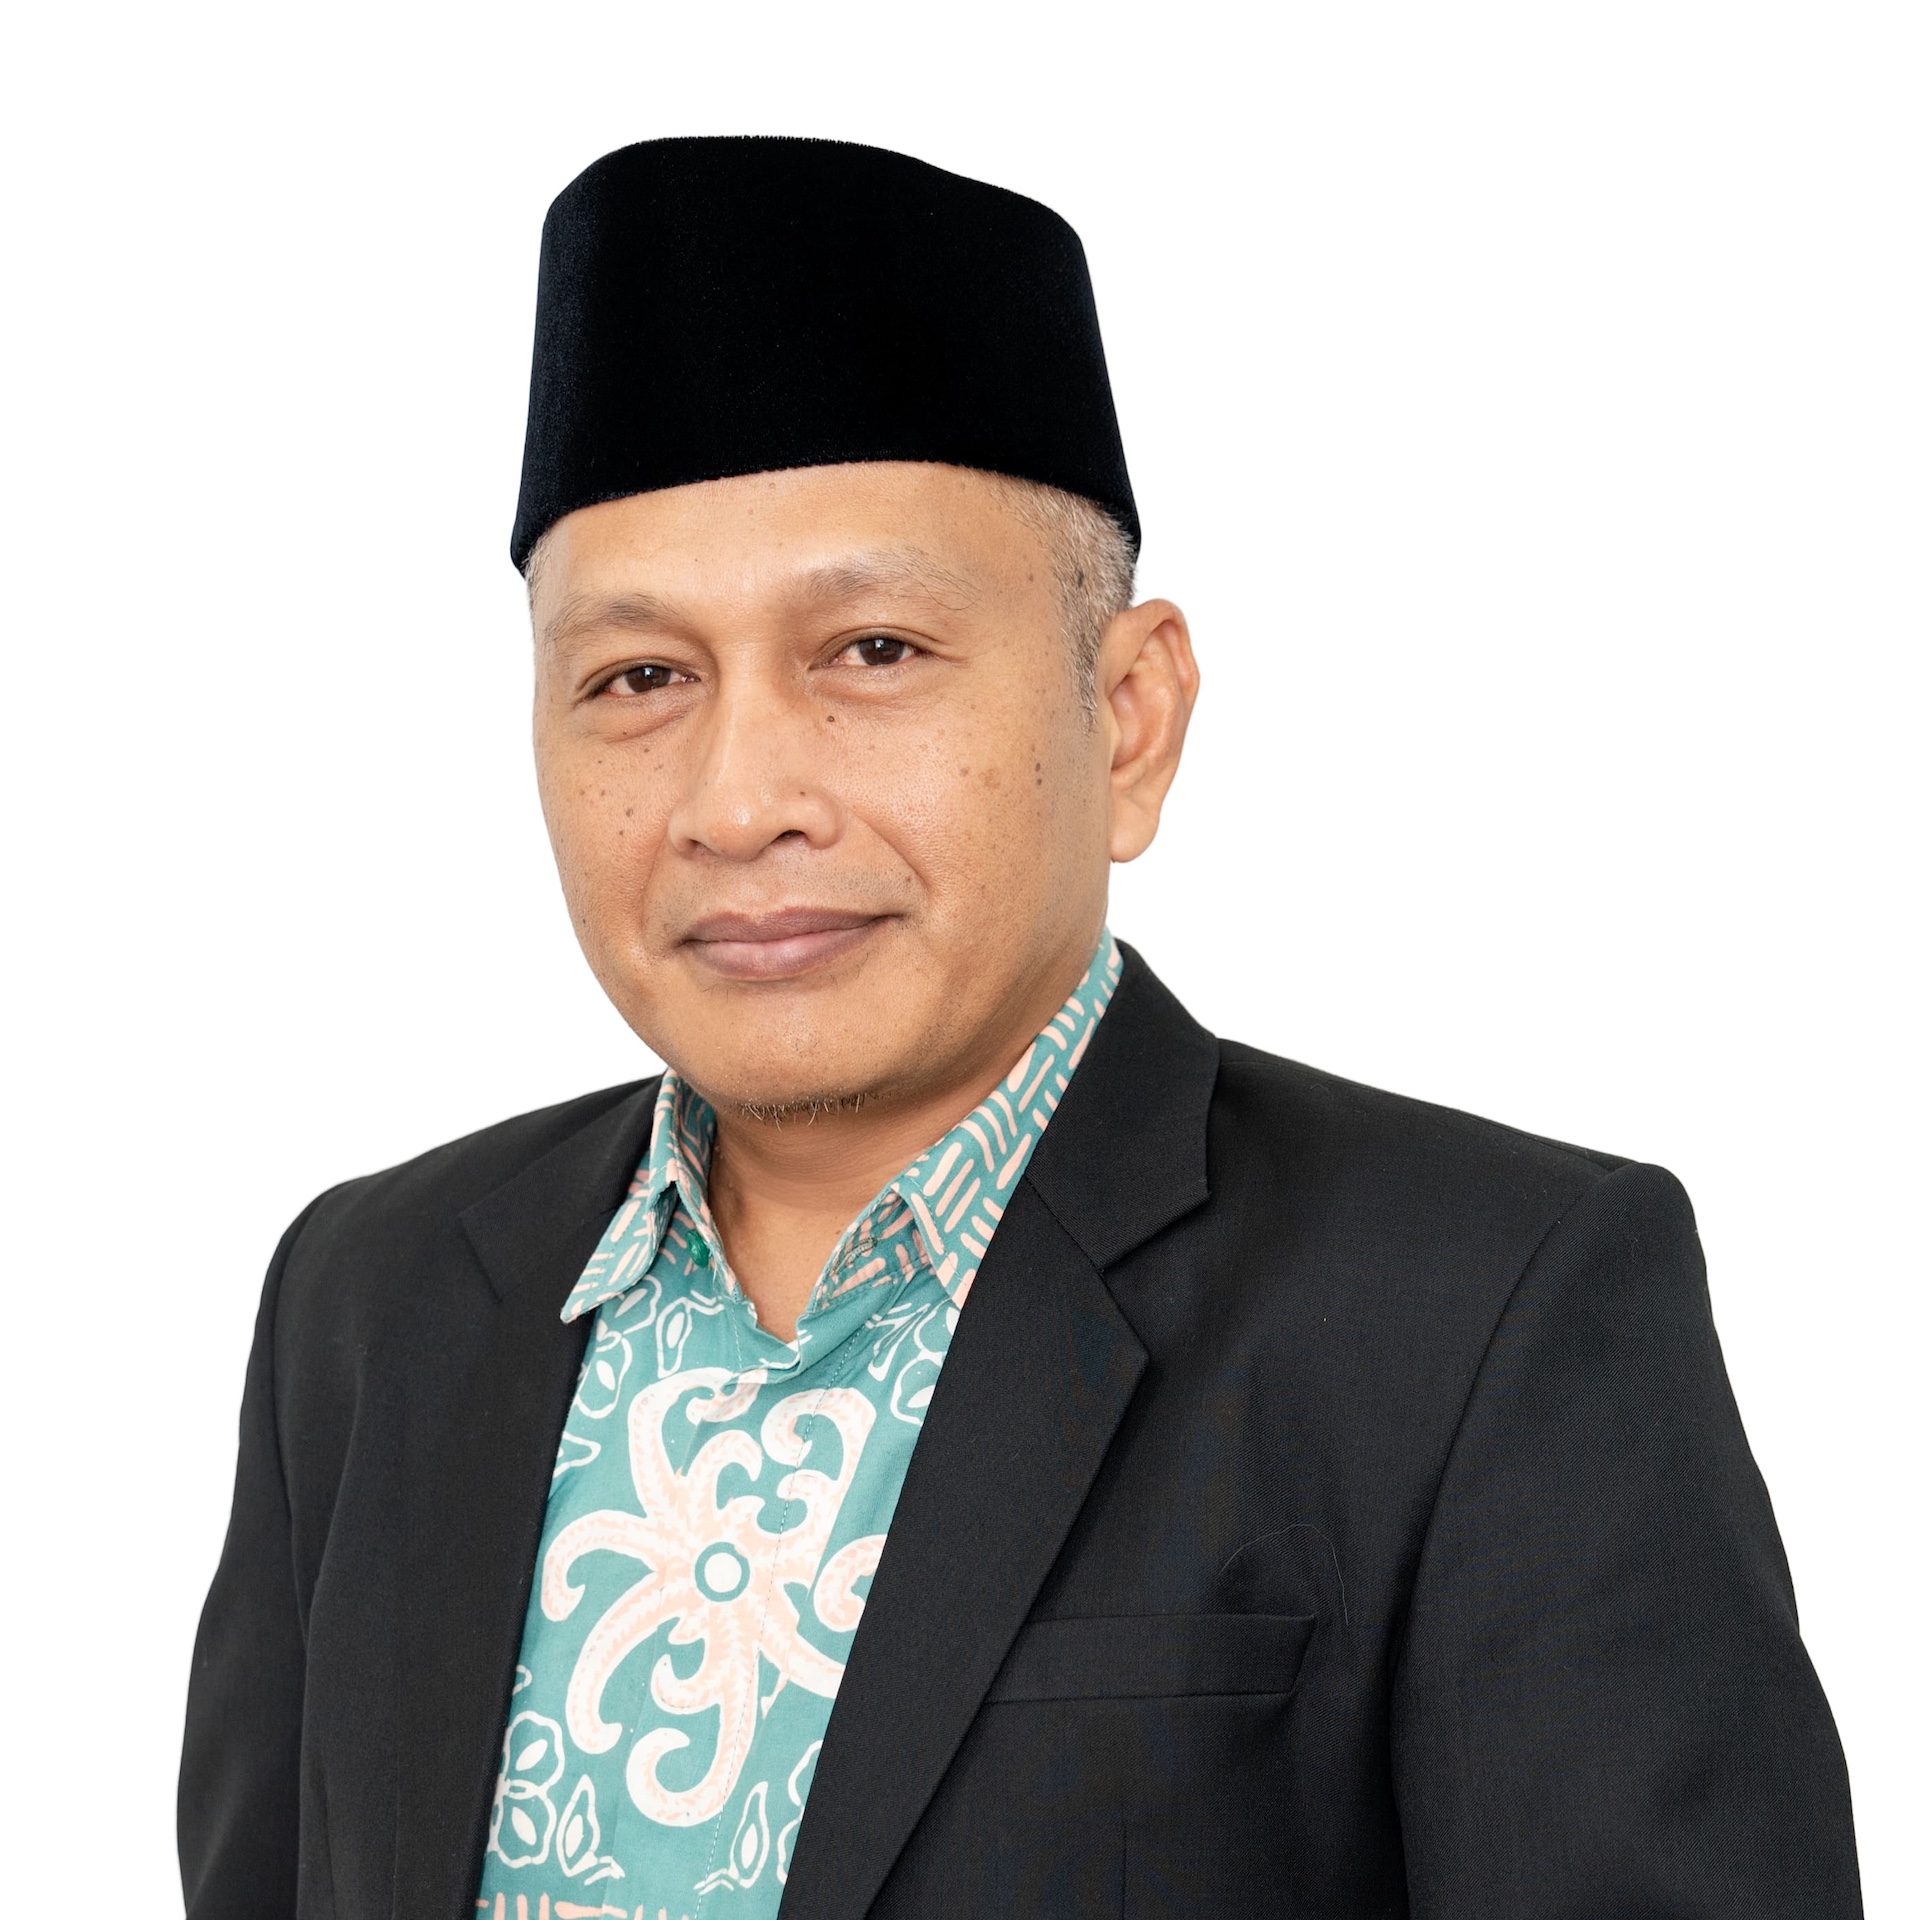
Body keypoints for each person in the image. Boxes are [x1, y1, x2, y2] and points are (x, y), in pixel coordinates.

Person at [178, 136, 1862, 1920]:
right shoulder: (371, 1300)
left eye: (874, 651)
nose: (737, 802)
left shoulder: (1481, 1315)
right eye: (640, 677)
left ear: (1128, 716)